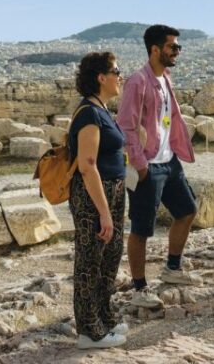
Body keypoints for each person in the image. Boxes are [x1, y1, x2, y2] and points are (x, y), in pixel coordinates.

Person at [118, 24, 200, 309]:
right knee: (141, 228)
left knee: (187, 211)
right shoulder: (137, 82)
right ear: (155, 49)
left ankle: (172, 269)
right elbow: (126, 126)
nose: (177, 51)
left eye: (177, 46)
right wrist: (139, 165)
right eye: (173, 47)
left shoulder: (165, 77)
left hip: (169, 160)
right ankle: (139, 288)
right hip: (148, 166)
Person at [68, 52, 128, 349]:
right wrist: (104, 212)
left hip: (113, 191)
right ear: (100, 77)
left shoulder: (102, 109)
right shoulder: (90, 113)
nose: (121, 76)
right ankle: (88, 332)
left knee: (110, 256)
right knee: (90, 260)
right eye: (116, 71)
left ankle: (103, 319)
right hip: (94, 195)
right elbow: (87, 164)